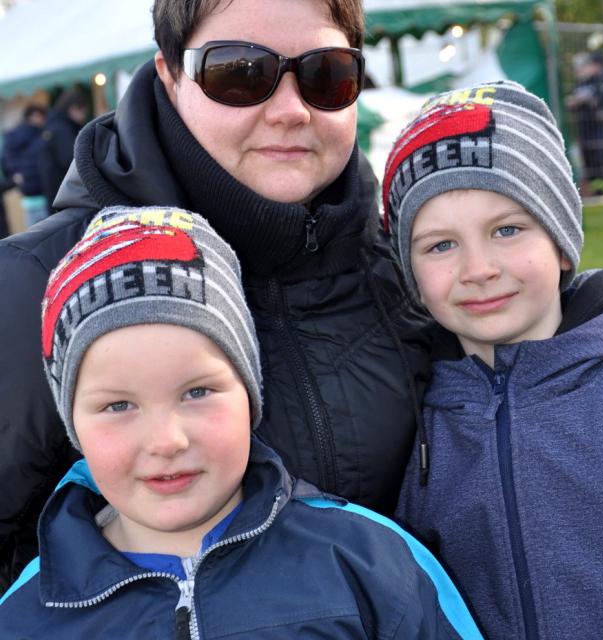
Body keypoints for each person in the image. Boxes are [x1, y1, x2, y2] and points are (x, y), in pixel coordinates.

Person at [0, 0, 433, 591]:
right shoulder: (34, 284)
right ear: (170, 75)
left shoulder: (416, 260)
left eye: (326, 73)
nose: (290, 110)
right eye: (239, 72)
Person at [0, 207, 482, 640]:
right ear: (72, 424)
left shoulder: (368, 561)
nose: (167, 441)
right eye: (119, 405)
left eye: (197, 392)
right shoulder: (25, 616)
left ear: (250, 396)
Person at [383, 80, 603, 639]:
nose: (478, 269)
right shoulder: (421, 416)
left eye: (507, 230)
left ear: (561, 241)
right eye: (440, 245)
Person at [565, 52, 603, 193]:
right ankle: (597, 189)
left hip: (602, 127)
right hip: (585, 128)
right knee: (589, 160)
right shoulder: (581, 83)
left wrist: (594, 101)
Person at [39, 88, 89, 212]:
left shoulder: (52, 125)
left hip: (55, 192)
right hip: (65, 193)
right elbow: (70, 159)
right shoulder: (63, 129)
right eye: (83, 112)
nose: (84, 117)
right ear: (73, 109)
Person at [0, 104, 49, 226]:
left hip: (26, 193)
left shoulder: (12, 136)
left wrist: (14, 177)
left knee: (34, 230)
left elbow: (6, 161)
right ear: (35, 116)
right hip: (42, 191)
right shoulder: (39, 136)